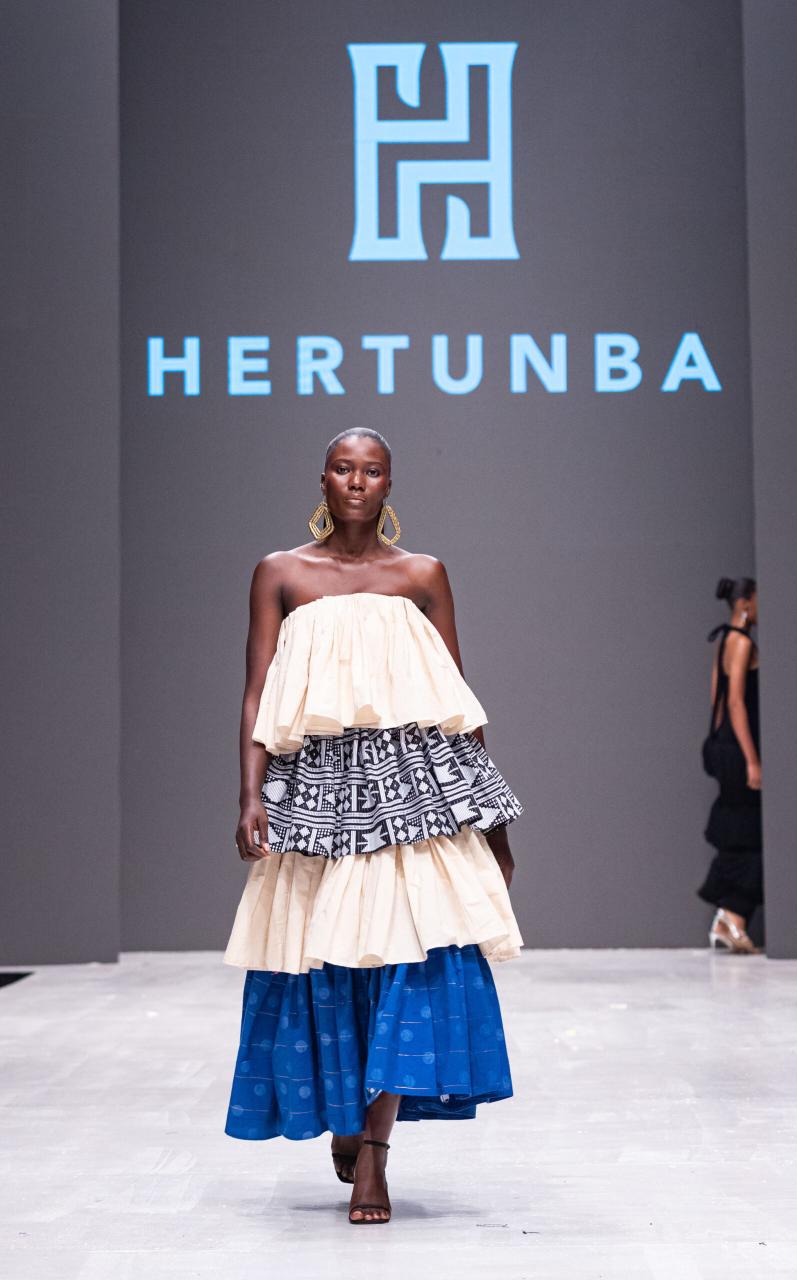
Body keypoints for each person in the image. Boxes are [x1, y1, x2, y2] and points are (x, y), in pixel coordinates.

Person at [222, 428, 524, 1225]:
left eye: (372, 470)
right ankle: (347, 1118)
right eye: (343, 468)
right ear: (322, 479)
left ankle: (374, 1159)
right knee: (324, 965)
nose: (357, 482)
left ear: (390, 484)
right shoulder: (281, 573)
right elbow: (258, 691)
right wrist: (249, 796)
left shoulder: (421, 575)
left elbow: (456, 699)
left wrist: (489, 820)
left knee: (402, 962)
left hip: (409, 797)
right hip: (312, 793)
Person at [697, 576, 763, 954]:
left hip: (725, 746)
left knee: (739, 832)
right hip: (739, 749)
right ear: (744, 604)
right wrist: (751, 759)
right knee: (749, 834)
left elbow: (717, 701)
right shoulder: (742, 642)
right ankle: (733, 917)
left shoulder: (724, 639)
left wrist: (718, 743)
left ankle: (729, 918)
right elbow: (735, 701)